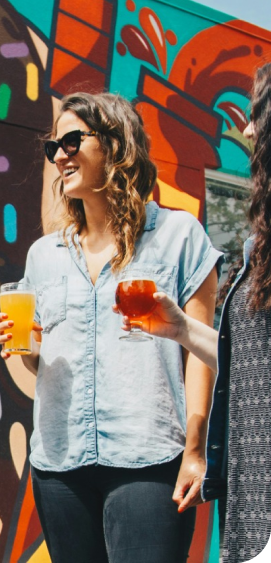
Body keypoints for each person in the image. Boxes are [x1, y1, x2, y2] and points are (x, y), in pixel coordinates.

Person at [0, 92, 223, 563]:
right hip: (59, 464)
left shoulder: (180, 237)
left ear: (117, 144)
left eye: (73, 139)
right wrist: (27, 348)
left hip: (150, 459)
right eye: (53, 146)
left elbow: (202, 356)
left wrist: (196, 451)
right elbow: (44, 363)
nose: (60, 154)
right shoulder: (43, 255)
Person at [117, 63, 271, 562]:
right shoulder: (258, 247)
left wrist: (195, 447)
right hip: (253, 484)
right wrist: (181, 329)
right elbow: (248, 361)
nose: (247, 131)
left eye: (257, 116)